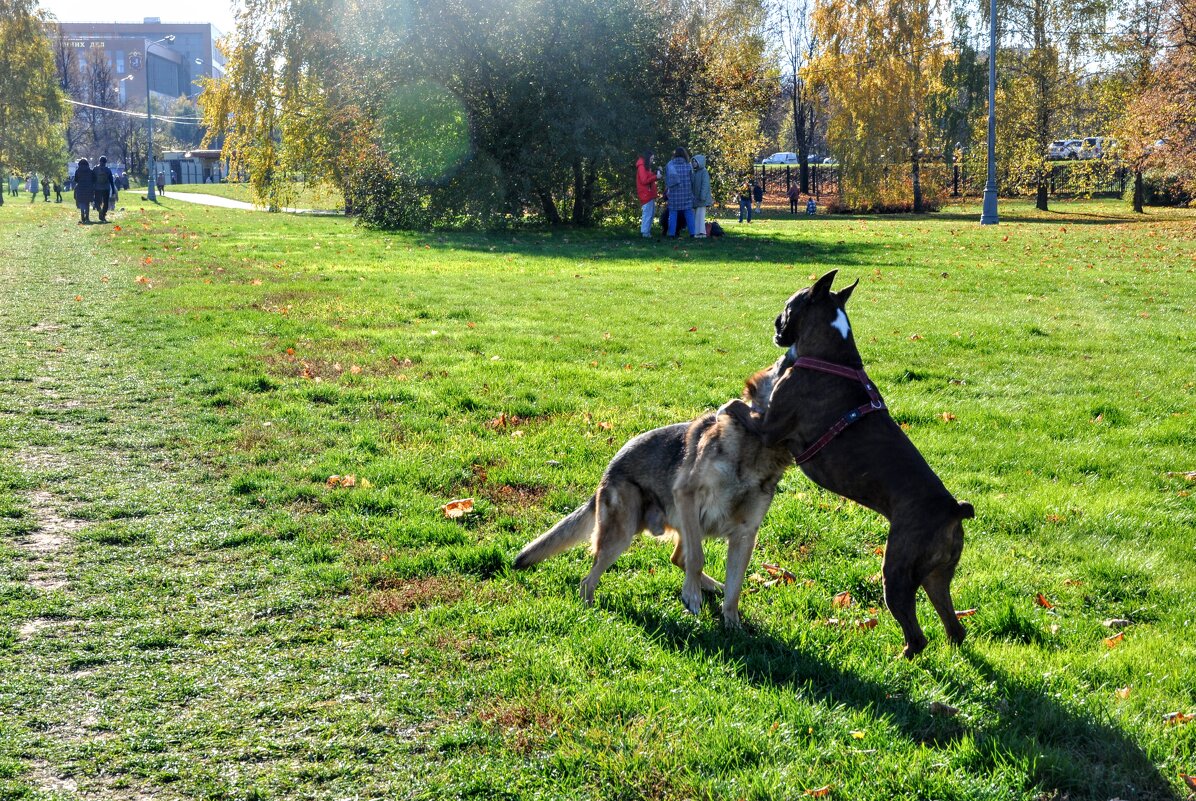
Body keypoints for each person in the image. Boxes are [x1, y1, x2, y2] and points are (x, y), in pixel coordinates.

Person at [664, 147, 695, 238]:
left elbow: (667, 179)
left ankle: (671, 234)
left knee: (673, 213)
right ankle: (693, 233)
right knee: (689, 213)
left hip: (674, 194)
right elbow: (692, 179)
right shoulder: (688, 165)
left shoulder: (670, 165)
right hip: (686, 193)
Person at [635, 151, 658, 238]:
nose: (652, 161)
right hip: (645, 194)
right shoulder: (641, 167)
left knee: (650, 214)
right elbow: (644, 180)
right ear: (648, 158)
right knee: (648, 214)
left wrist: (655, 173)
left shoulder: (645, 167)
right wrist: (656, 177)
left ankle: (647, 232)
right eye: (651, 159)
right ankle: (645, 233)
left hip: (648, 193)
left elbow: (648, 176)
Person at [690, 154, 713, 239]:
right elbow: (692, 184)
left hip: (702, 199)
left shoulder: (704, 172)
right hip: (696, 198)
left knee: (700, 215)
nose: (694, 163)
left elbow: (705, 185)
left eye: (696, 161)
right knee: (696, 215)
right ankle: (697, 232)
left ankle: (701, 232)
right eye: (693, 162)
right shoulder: (694, 172)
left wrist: (702, 196)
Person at [72, 159, 95, 224]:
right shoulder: (90, 171)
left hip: (80, 188)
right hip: (88, 188)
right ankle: (87, 217)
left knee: (82, 202)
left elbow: (76, 180)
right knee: (87, 203)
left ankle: (82, 216)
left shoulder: (78, 171)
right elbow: (93, 179)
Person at [93, 156, 113, 222]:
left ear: (99, 161)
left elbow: (92, 179)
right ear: (106, 162)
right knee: (106, 202)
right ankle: (103, 214)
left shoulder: (95, 169)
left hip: (97, 188)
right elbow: (111, 180)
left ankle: (99, 210)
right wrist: (113, 189)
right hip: (106, 188)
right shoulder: (108, 170)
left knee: (97, 201)